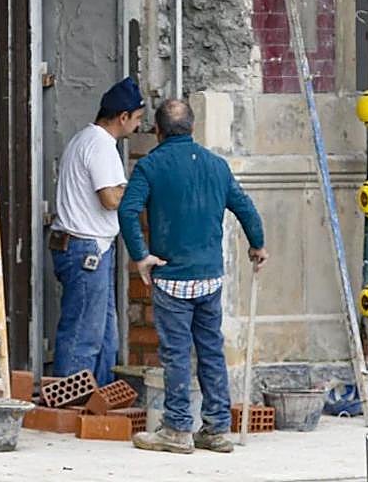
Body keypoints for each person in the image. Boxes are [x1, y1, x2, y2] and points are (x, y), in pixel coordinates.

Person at [119, 98, 268, 454]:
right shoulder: (216, 166)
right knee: (211, 350)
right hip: (210, 277)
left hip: (172, 279)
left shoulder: (151, 166)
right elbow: (245, 206)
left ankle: (177, 428)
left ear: (157, 130)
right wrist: (257, 245)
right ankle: (216, 429)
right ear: (192, 128)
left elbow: (127, 210)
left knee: (175, 354)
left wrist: (141, 256)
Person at [50, 76, 145, 386]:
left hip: (87, 248)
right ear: (123, 116)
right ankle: (72, 406)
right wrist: (138, 192)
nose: (138, 125)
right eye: (138, 118)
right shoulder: (102, 145)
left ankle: (98, 403)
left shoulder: (83, 140)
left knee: (105, 335)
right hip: (85, 250)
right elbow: (109, 199)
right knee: (84, 336)